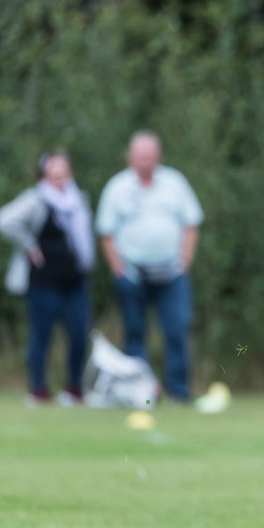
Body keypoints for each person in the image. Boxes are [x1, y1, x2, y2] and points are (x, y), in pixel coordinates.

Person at [95, 130, 204, 402]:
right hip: (133, 274)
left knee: (177, 330)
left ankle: (178, 391)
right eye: (140, 157)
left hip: (172, 274)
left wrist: (185, 261)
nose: (145, 162)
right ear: (130, 158)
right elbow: (106, 232)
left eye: (150, 157)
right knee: (134, 335)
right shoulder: (117, 188)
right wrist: (118, 269)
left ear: (159, 157)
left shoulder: (175, 183)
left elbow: (191, 223)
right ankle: (139, 394)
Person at [0, 150, 95, 405]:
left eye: (63, 170)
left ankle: (74, 388)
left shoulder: (78, 199)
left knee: (80, 334)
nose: (59, 176)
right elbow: (4, 220)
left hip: (75, 279)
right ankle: (38, 388)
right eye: (54, 171)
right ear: (45, 173)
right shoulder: (36, 200)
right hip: (44, 281)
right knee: (42, 334)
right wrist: (30, 246)